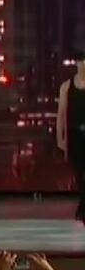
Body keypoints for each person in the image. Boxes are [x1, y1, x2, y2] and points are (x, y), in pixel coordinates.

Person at [57, 51, 85, 224]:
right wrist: (60, 138)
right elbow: (61, 114)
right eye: (81, 62)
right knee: (79, 173)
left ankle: (83, 209)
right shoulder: (67, 86)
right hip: (75, 137)